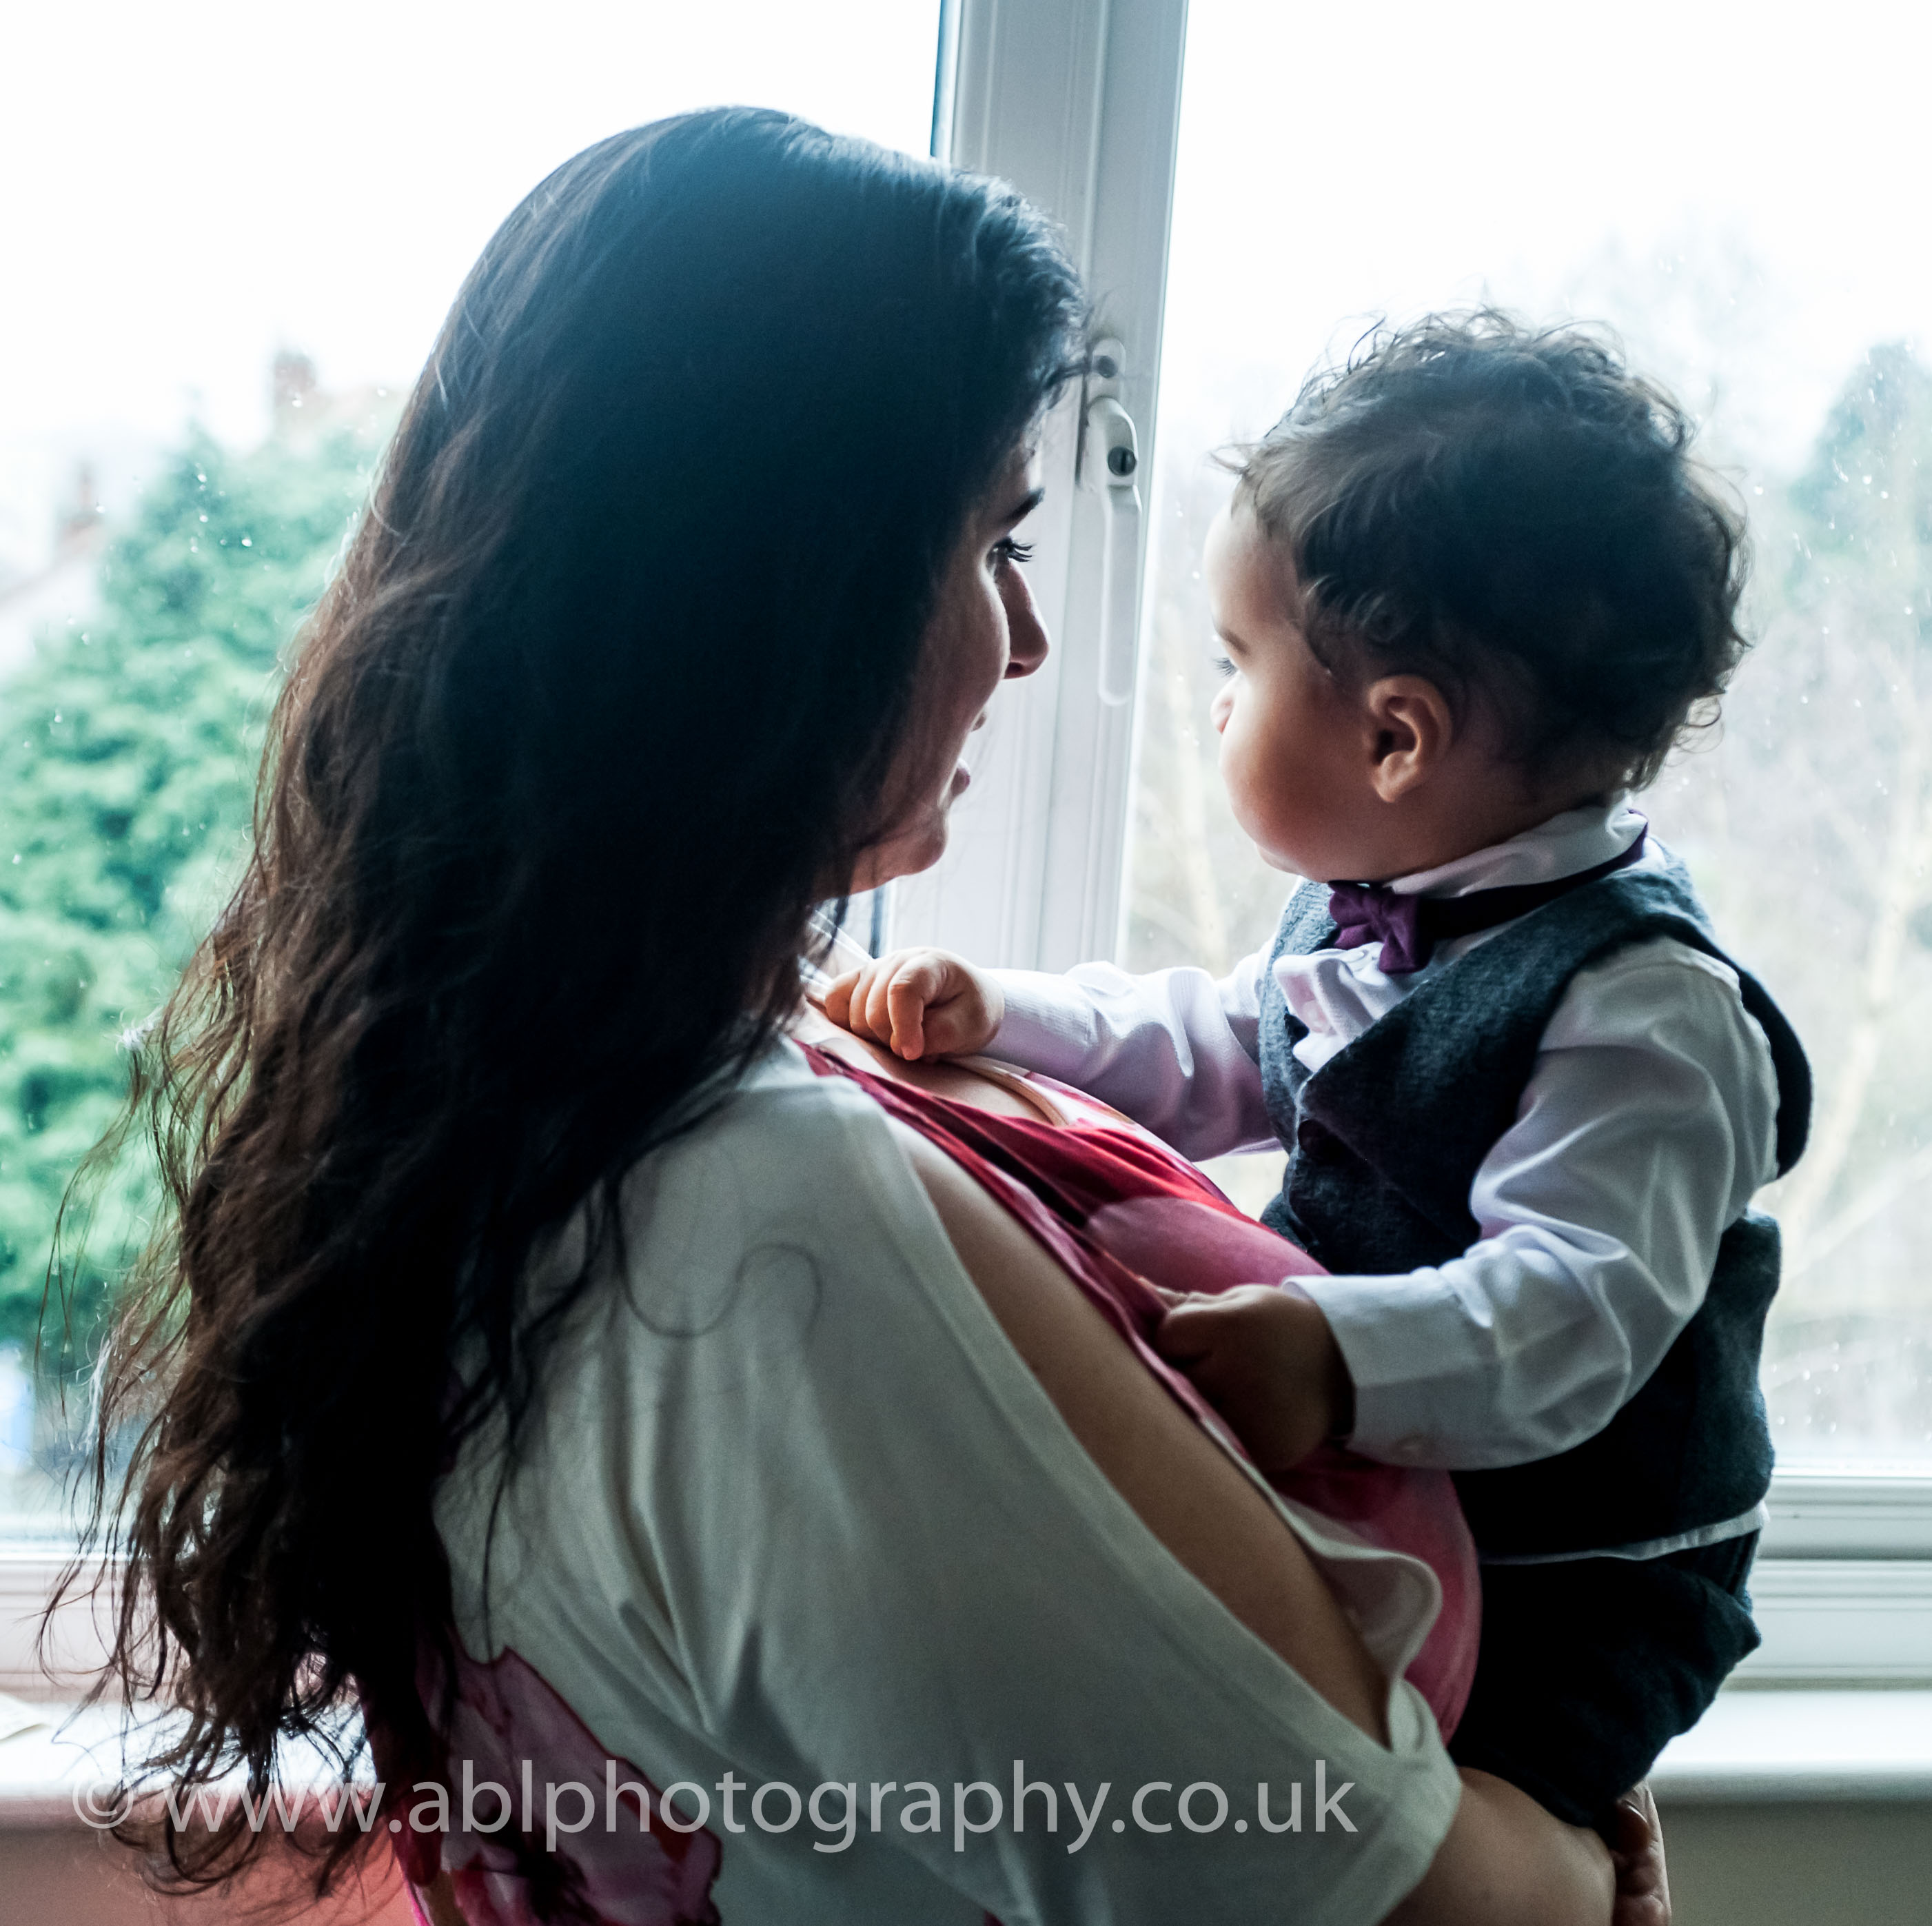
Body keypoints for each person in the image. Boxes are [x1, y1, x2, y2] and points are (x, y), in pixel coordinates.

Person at [72, 121, 1650, 1925]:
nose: (1028, 639)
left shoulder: (568, 1105)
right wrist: (1575, 1858)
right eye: (991, 542)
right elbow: (1378, 1897)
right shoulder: (759, 1232)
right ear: (774, 596)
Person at [828, 314, 1811, 1840]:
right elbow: (1225, 1046)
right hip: (1423, 1512)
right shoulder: (1388, 907)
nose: (1218, 701)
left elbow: (1571, 1310)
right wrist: (1000, 1013)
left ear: (1396, 737)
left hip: (1576, 1585)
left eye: (1238, 663)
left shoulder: (1647, 1013)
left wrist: (1338, 1358)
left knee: (1396, 1836)